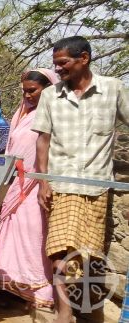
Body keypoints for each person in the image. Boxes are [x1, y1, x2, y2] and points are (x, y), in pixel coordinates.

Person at [32, 36, 129, 322]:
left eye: (63, 63)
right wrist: (43, 182)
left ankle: (91, 312)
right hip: (61, 187)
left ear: (84, 58)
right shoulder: (51, 96)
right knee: (59, 254)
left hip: (96, 189)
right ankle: (64, 315)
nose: (58, 69)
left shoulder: (113, 89)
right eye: (55, 65)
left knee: (91, 259)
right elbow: (43, 141)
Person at [0, 69, 59, 308]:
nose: (27, 95)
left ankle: (40, 292)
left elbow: (43, 151)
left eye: (33, 91)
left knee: (33, 236)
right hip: (15, 184)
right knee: (14, 234)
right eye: (24, 91)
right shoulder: (22, 114)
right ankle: (17, 288)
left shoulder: (52, 114)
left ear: (49, 90)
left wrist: (39, 181)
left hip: (35, 184)